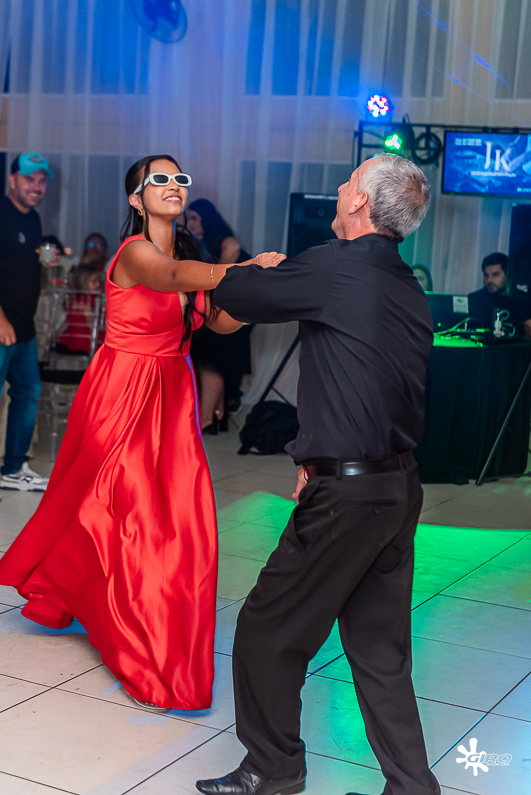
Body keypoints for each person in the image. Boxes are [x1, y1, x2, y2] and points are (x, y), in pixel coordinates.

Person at [0, 154, 282, 712]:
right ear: (137, 198)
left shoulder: (190, 259)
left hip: (171, 396)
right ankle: (134, 634)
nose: (173, 186)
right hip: (122, 390)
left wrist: (257, 299)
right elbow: (169, 278)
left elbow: (216, 319)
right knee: (124, 514)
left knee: (180, 522)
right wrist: (243, 269)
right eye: (160, 179)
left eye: (180, 179)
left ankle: (151, 621)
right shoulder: (134, 253)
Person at [196, 154, 440, 795]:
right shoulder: (408, 285)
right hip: (396, 486)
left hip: (349, 497)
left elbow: (234, 299)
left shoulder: (335, 266)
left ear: (360, 203)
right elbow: (369, 384)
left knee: (266, 631)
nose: (339, 186)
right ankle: (413, 788)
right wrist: (318, 455)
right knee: (380, 651)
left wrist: (255, 267)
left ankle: (273, 770)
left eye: (349, 181)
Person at [0, 152, 59, 492]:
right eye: (29, 179)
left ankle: (13, 468)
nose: (37, 186)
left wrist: (40, 262)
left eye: (42, 180)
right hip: (2, 326)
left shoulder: (33, 219)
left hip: (23, 328)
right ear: (12, 180)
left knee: (28, 393)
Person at [187, 199, 253, 431]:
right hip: (221, 308)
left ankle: (206, 419)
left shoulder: (227, 241)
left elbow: (217, 280)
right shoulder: (204, 242)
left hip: (234, 310)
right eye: (188, 218)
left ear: (207, 218)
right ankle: (215, 417)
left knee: (210, 363)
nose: (190, 223)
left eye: (194, 218)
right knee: (213, 362)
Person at [468, 252, 531, 337]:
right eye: (486, 275)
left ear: (508, 275)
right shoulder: (474, 300)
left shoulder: (523, 301)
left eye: (495, 274)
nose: (489, 280)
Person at [57, 264, 104, 354]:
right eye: (94, 281)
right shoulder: (85, 301)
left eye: (98, 280)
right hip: (86, 343)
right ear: (83, 282)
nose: (98, 284)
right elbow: (93, 326)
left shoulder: (76, 299)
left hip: (79, 341)